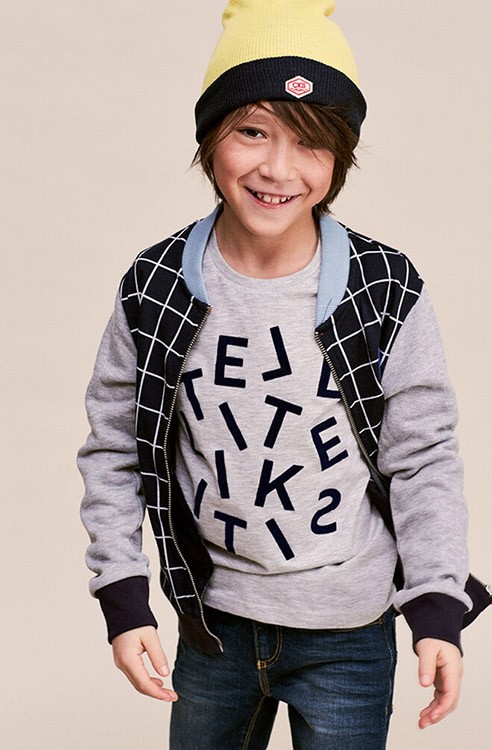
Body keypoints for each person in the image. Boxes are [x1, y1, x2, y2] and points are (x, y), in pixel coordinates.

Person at [78, 1, 471, 747]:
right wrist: (122, 596)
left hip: (349, 630)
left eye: (310, 141)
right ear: (209, 139)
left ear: (340, 158)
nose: (278, 169)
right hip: (214, 625)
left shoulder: (383, 288)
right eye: (252, 131)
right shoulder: (158, 286)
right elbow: (114, 448)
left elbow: (423, 457)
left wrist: (437, 604)